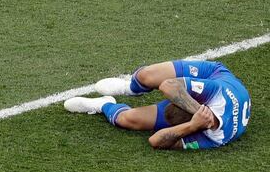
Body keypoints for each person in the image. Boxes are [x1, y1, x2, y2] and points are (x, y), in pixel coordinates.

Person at [64, 60, 251, 150]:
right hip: (212, 74)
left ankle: (103, 104)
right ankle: (131, 87)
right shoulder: (218, 93)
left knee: (126, 119)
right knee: (147, 76)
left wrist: (192, 125)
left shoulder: (216, 138)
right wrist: (197, 112)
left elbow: (155, 141)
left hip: (198, 114)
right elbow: (168, 86)